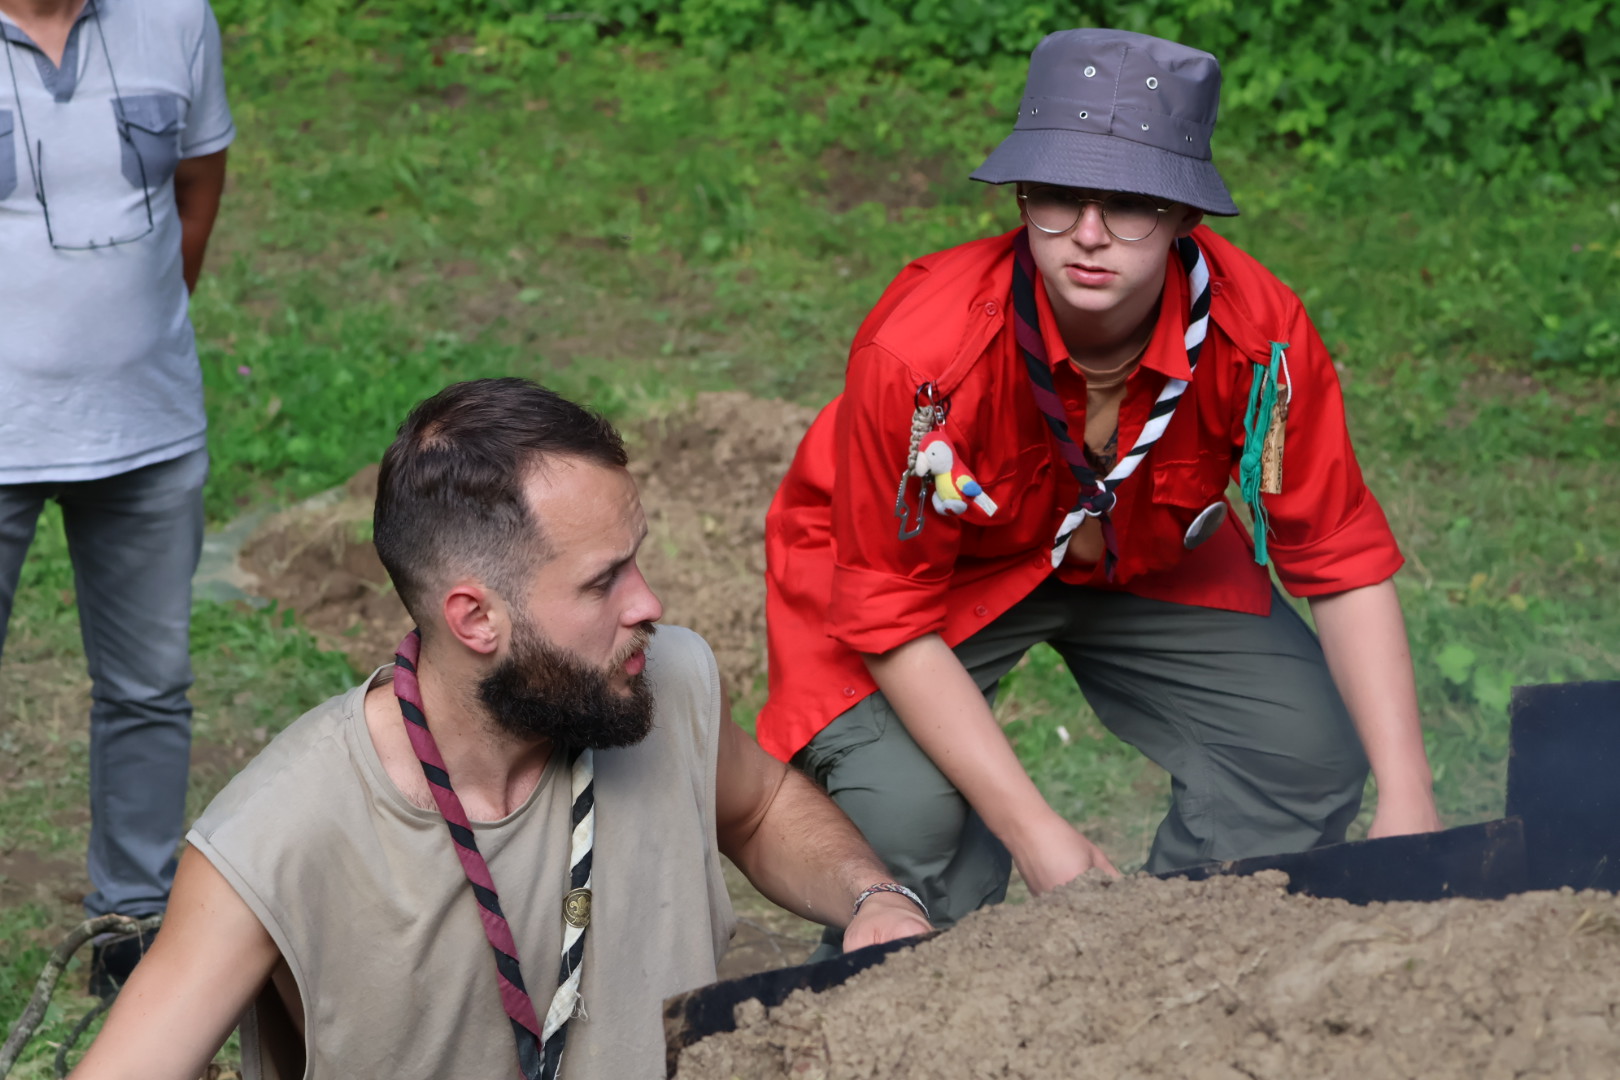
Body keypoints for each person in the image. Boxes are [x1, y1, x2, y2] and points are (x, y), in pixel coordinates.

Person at [759, 27, 1444, 950]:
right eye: (1058, 198)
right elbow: (889, 611)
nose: (1089, 234)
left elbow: (1340, 557)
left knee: (1301, 750)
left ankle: (1179, 959)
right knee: (916, 822)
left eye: (1130, 203)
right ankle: (923, 997)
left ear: (1185, 213)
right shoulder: (922, 352)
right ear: (1022, 197)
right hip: (929, 581)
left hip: (1142, 557)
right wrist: (1036, 831)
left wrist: (1409, 798)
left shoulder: (1259, 336)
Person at [69, 378, 933, 1080]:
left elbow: (758, 806)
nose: (649, 603)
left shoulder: (664, 681)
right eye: (602, 582)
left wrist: (873, 896)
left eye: (636, 558)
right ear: (476, 618)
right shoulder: (277, 839)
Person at [0, 0, 232, 994]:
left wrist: (123, 343)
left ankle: (130, 933)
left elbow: (197, 186)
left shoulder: (175, 17)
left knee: (149, 692)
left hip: (146, 430)